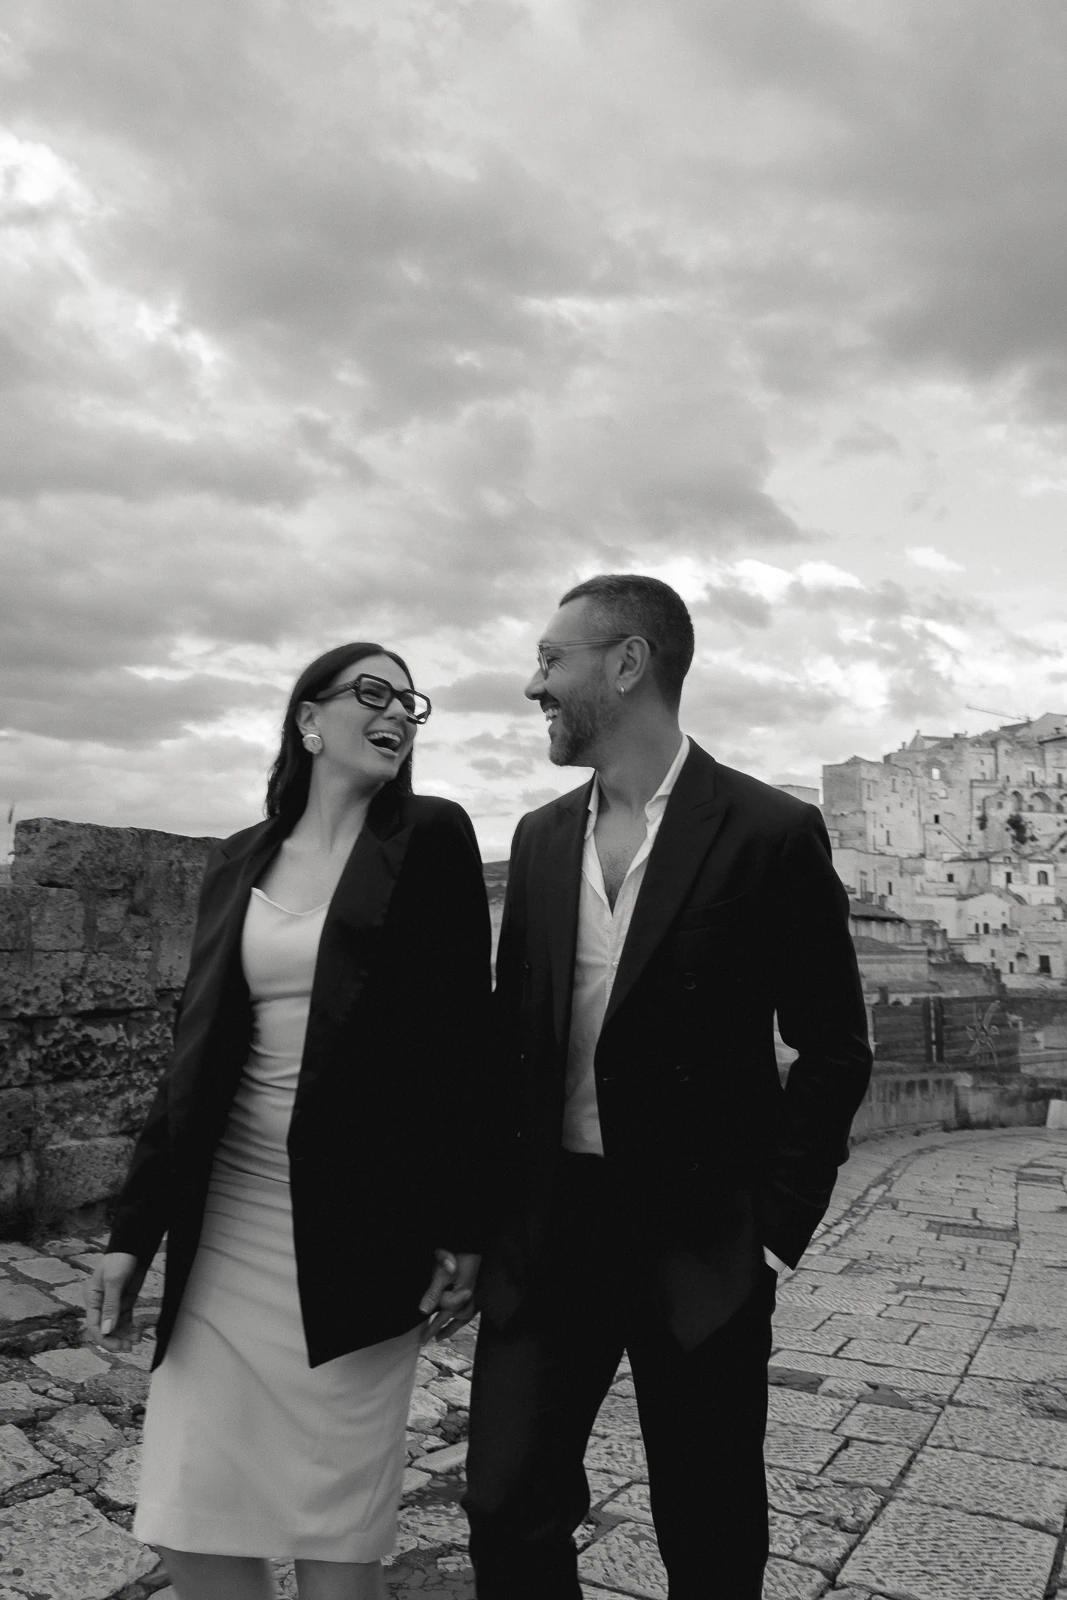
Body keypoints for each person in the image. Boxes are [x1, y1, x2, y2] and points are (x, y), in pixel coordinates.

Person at [464, 574, 872, 1599]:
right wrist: (479, 1217)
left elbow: (831, 1045)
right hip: (549, 1232)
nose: (531, 684)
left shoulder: (767, 831)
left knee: (708, 1528)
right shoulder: (539, 837)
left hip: (700, 1242)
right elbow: (515, 1043)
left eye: (551, 660)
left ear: (627, 662)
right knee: (504, 1507)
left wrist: (770, 1228)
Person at [85, 642, 491, 1600]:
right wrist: (131, 1234)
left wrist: (467, 1225)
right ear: (308, 720)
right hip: (228, 1221)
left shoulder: (430, 836)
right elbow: (192, 1060)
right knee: (189, 1517)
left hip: (361, 1229)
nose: (396, 711)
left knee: (334, 1537)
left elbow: (465, 1045)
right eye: (371, 692)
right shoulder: (238, 860)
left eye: (408, 701)